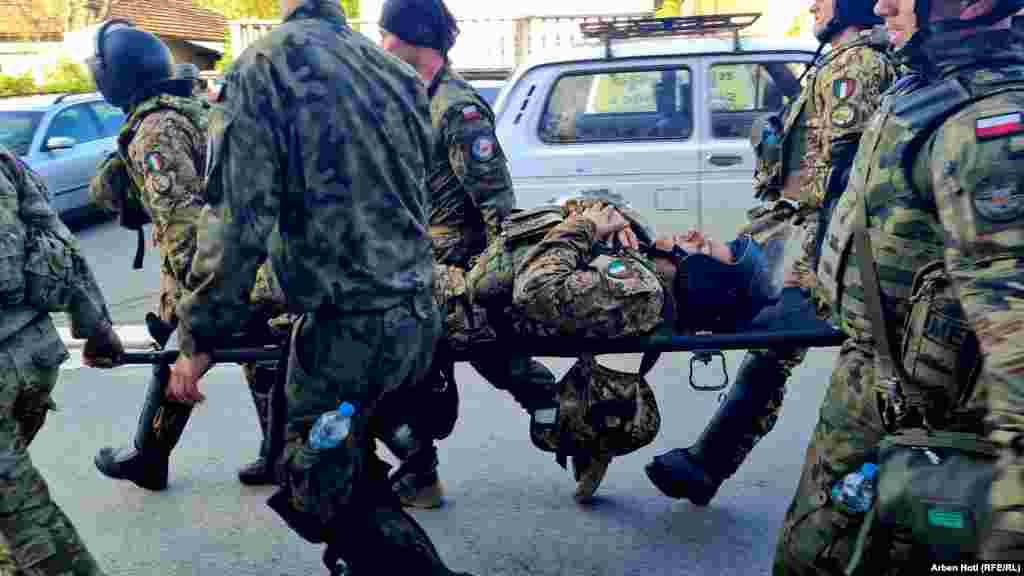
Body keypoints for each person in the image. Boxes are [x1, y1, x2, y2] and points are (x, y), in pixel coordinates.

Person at [165, 0, 473, 574]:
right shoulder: (394, 72)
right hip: (413, 312)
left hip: (347, 327)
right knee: (343, 465)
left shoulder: (264, 67)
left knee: (317, 479)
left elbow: (237, 221)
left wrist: (198, 335)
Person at [772, 0, 1024, 571]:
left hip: (930, 426)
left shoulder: (987, 124)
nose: (883, 3)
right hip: (874, 391)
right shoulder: (925, 86)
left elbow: (1014, 321)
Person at [644, 0, 898, 507]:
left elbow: (845, 168)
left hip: (820, 237)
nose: (811, 6)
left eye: (823, 0)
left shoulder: (860, 64)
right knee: (771, 350)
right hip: (799, 228)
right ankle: (707, 464)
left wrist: (821, 260)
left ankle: (709, 464)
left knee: (775, 349)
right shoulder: (836, 60)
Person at [86, 20, 286, 490]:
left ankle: (151, 458)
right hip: (249, 257)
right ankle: (276, 455)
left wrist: (198, 304)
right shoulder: (187, 109)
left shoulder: (156, 130)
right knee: (261, 355)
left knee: (184, 352)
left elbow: (185, 228)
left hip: (216, 267)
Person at [377, 0, 558, 509]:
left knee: (496, 361)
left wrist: (502, 280)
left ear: (413, 37)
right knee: (422, 374)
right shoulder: (412, 97)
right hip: (415, 263)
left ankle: (570, 423)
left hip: (454, 269)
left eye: (386, 32)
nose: (381, 43)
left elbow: (497, 203)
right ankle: (420, 472)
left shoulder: (459, 109)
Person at [0, 144, 124, 574]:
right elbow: (57, 240)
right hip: (34, 358)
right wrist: (97, 328)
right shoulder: (4, 160)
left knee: (26, 520)